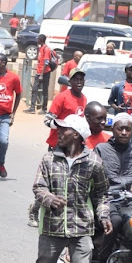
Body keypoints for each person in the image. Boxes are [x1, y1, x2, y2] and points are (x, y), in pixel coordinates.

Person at [28, 115, 111, 263]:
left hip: (82, 228)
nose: (59, 132)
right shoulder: (49, 159)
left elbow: (102, 193)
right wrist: (50, 199)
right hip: (53, 227)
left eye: (63, 129)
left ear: (76, 134)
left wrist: (104, 215)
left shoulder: (93, 162)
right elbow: (38, 187)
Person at [28, 68, 88, 227]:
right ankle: (34, 210)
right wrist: (63, 128)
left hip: (73, 148)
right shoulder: (62, 97)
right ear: (70, 81)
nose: (79, 82)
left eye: (82, 79)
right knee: (50, 182)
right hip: (57, 145)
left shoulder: (84, 99)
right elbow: (47, 120)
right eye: (76, 79)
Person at [94, 112, 132, 263]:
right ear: (113, 129)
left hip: (128, 200)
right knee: (114, 222)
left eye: (127, 129)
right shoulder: (101, 149)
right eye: (120, 128)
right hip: (106, 197)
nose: (123, 132)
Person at [108, 62, 132, 148]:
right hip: (122, 118)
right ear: (126, 71)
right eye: (130, 70)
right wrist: (117, 108)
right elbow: (110, 101)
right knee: (120, 139)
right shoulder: (118, 87)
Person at [25, 34, 53, 114]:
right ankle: (32, 108)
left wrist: (41, 74)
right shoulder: (40, 48)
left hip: (45, 73)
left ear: (41, 39)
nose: (37, 40)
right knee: (34, 89)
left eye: (38, 39)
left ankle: (44, 109)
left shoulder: (46, 49)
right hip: (39, 72)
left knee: (45, 91)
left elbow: (46, 62)